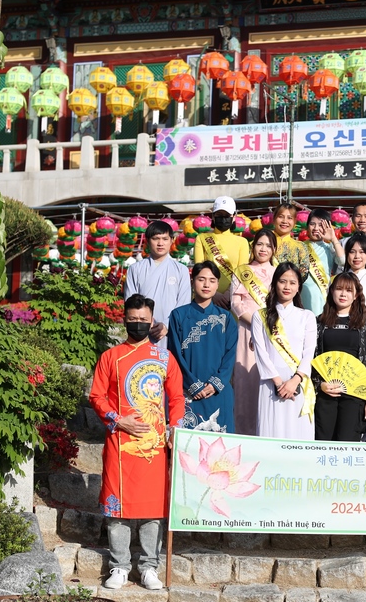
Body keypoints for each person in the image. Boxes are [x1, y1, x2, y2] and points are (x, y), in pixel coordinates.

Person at [89, 294, 185, 591]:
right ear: (124, 319)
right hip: (120, 441)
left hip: (154, 446)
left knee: (153, 508)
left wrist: (174, 430)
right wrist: (118, 420)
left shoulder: (164, 358)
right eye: (133, 319)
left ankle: (149, 567)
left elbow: (177, 398)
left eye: (144, 319)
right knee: (117, 508)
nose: (138, 324)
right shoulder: (110, 357)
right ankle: (119, 566)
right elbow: (97, 396)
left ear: (152, 320)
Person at [167, 261, 238, 433]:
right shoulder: (178, 315)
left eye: (212, 280)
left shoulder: (226, 318)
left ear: (217, 285)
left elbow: (230, 356)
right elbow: (175, 354)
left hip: (219, 392)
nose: (206, 285)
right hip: (188, 391)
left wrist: (215, 384)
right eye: (201, 279)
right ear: (192, 282)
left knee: (220, 445)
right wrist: (192, 384)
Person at [252, 262, 318, 439]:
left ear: (298, 287)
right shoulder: (260, 316)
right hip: (271, 383)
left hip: (298, 383)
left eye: (292, 282)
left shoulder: (307, 316)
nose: (287, 286)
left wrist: (295, 380)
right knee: (271, 431)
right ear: (274, 284)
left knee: (298, 433)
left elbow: (309, 352)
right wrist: (279, 383)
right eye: (282, 281)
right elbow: (260, 352)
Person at [312, 273, 366, 441]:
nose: (343, 294)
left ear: (356, 295)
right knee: (323, 441)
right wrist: (320, 385)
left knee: (348, 442)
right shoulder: (319, 323)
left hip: (355, 396)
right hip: (325, 393)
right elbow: (311, 358)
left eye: (349, 290)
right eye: (339, 289)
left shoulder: (364, 324)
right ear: (331, 291)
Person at [229, 228, 277, 435]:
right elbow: (236, 304)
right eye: (259, 244)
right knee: (245, 382)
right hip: (246, 331)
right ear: (253, 246)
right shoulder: (242, 271)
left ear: (274, 249)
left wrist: (268, 327)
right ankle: (244, 432)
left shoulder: (279, 273)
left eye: (268, 245)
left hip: (273, 333)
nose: (263, 249)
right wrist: (258, 324)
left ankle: (267, 432)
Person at [124, 221, 191, 343]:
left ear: (172, 240)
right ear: (147, 241)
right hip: (142, 331)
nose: (160, 243)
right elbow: (131, 303)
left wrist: (166, 325)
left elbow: (184, 304)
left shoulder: (181, 270)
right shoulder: (135, 269)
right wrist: (145, 323)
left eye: (165, 239)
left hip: (171, 332)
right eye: (156, 239)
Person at [193, 196, 250, 308]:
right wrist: (214, 294)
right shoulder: (202, 238)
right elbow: (198, 270)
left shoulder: (242, 242)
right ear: (213, 216)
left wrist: (229, 294)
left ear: (233, 217)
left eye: (227, 215)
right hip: (206, 296)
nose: (223, 219)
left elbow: (242, 272)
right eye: (219, 215)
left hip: (232, 299)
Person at [302, 208, 345, 316]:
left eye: (321, 225)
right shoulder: (299, 247)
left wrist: (333, 238)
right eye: (312, 224)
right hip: (302, 296)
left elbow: (342, 261)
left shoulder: (329, 248)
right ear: (307, 226)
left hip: (323, 297)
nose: (316, 228)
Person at [271, 203, 310, 276]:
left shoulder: (300, 247)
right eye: (281, 217)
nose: (285, 221)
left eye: (289, 218)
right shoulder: (263, 242)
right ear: (274, 219)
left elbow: (304, 272)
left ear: (294, 222)